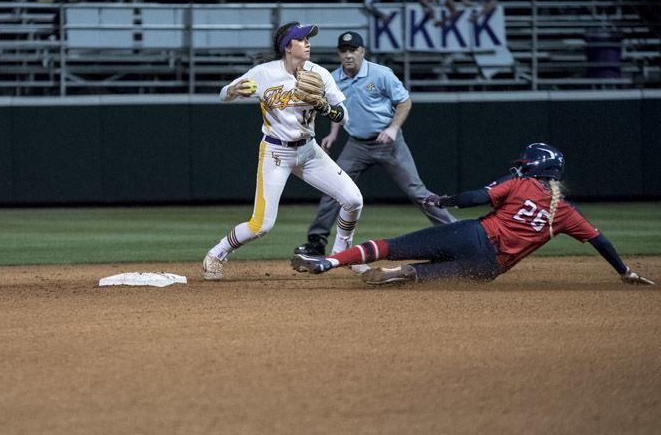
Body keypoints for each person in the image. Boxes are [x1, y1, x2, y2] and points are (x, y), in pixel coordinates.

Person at [292, 143, 655, 287]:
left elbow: (475, 198)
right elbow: (600, 240)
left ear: (533, 167)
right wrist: (625, 271)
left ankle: (329, 261)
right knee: (425, 274)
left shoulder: (518, 184)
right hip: (488, 269)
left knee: (390, 245)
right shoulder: (565, 213)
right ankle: (406, 275)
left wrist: (443, 200)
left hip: (472, 236)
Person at [202, 22, 363, 280]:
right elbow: (223, 94)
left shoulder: (319, 74)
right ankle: (216, 253)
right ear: (288, 46)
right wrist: (233, 90)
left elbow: (344, 116)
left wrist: (325, 107)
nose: (308, 43)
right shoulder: (264, 73)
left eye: (309, 39)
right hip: (276, 153)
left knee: (354, 200)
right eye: (302, 39)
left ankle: (342, 252)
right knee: (261, 225)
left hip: (309, 152)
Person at [294, 31, 456, 258]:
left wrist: (393, 128)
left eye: (353, 50)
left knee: (416, 191)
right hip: (356, 144)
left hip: (388, 142)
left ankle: (456, 232)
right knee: (332, 190)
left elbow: (404, 101)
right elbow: (336, 108)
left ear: (362, 51)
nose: (348, 55)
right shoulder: (334, 78)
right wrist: (333, 133)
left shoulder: (381, 74)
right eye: (344, 51)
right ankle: (316, 242)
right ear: (339, 53)